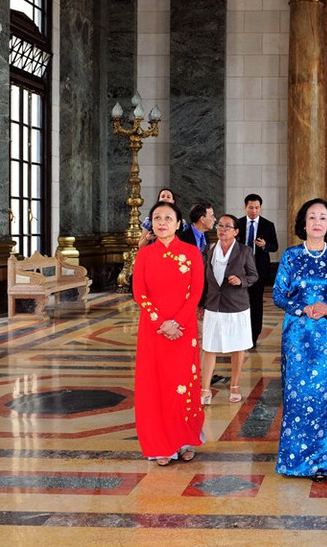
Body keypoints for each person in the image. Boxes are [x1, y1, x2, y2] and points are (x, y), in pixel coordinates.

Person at [272, 198, 327, 481]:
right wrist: (302, 308)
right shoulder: (291, 257)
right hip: (297, 337)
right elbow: (278, 294)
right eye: (312, 217)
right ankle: (296, 461)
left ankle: (325, 462)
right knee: (298, 397)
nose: (317, 222)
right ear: (303, 224)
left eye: (322, 218)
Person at [132, 200, 205, 466]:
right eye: (157, 218)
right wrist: (160, 322)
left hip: (183, 331)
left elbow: (196, 292)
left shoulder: (192, 253)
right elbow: (139, 292)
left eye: (167, 217)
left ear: (178, 224)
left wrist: (176, 322)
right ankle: (159, 445)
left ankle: (185, 440)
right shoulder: (144, 255)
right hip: (153, 331)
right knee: (155, 387)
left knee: (183, 384)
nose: (162, 222)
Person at [199, 213, 258, 405]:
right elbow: (202, 280)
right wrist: (200, 304)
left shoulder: (244, 251)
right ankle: (205, 388)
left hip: (236, 306)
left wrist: (241, 281)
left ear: (236, 231)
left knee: (237, 347)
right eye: (220, 226)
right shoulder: (208, 249)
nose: (222, 230)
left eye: (227, 227)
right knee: (209, 346)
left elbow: (253, 276)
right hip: (213, 305)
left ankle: (235, 385)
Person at [237, 194, 279, 347]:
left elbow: (274, 246)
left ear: (260, 208)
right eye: (251, 207)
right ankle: (239, 335)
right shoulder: (238, 223)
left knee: (256, 303)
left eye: (257, 208)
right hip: (240, 270)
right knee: (239, 303)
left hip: (259, 269)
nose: (254, 211)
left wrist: (265, 245)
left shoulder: (268, 225)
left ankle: (253, 337)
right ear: (245, 207)